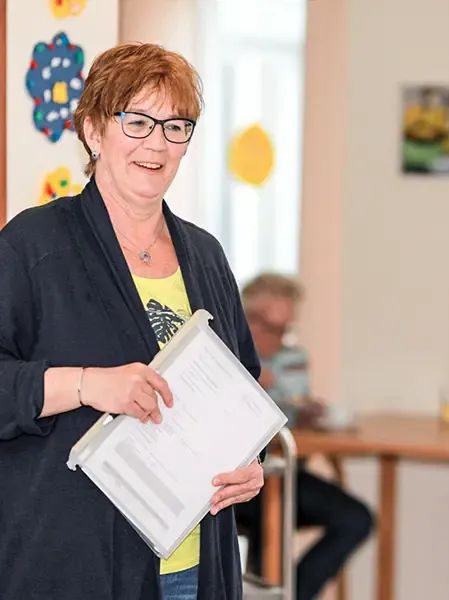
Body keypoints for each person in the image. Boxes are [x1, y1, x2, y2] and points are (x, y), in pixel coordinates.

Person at [0, 43, 264, 600]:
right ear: (93, 131)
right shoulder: (33, 245)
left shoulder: (206, 257)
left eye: (175, 126)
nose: (157, 143)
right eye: (138, 121)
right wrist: (85, 384)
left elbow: (243, 390)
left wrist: (249, 463)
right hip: (76, 565)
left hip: (196, 566)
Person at [234, 273, 374, 600]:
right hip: (238, 483)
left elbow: (293, 423)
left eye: (287, 329)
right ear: (246, 319)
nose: (280, 339)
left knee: (356, 519)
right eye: (272, 328)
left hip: (284, 475)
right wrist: (249, 384)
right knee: (270, 517)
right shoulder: (224, 359)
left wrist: (311, 415)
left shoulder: (291, 360)